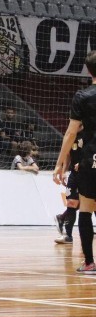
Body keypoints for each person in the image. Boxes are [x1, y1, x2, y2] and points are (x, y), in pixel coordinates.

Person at [54, 50, 96, 274]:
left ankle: (89, 262)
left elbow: (70, 133)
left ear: (89, 71)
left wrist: (61, 163)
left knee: (87, 210)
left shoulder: (83, 96)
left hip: (92, 158)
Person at [54, 125, 83, 245]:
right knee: (71, 202)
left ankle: (61, 218)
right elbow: (67, 154)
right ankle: (68, 236)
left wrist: (84, 163)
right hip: (74, 174)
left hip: (89, 173)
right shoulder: (70, 135)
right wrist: (64, 171)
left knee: (92, 204)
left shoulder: (90, 134)